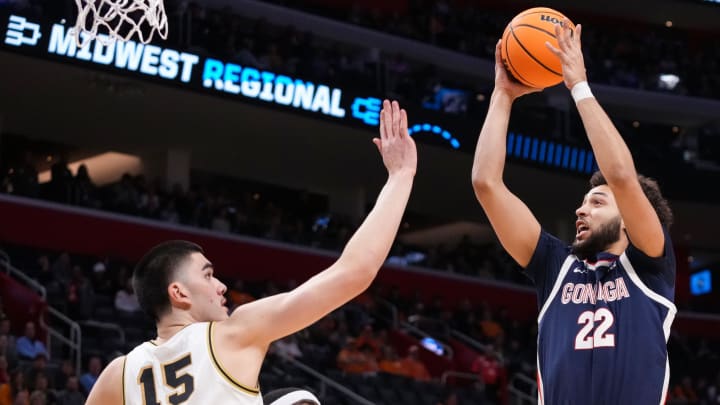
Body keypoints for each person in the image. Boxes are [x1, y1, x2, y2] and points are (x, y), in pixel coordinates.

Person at [85, 100, 417, 405]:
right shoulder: (232, 334)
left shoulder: (118, 375)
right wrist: (401, 177)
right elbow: (354, 273)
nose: (221, 286)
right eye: (208, 274)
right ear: (179, 292)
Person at [471, 20, 676, 405]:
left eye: (597, 202)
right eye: (583, 202)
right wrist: (502, 94)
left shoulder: (651, 263)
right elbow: (486, 184)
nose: (581, 210)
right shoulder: (555, 265)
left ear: (631, 220)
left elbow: (620, 176)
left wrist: (578, 85)